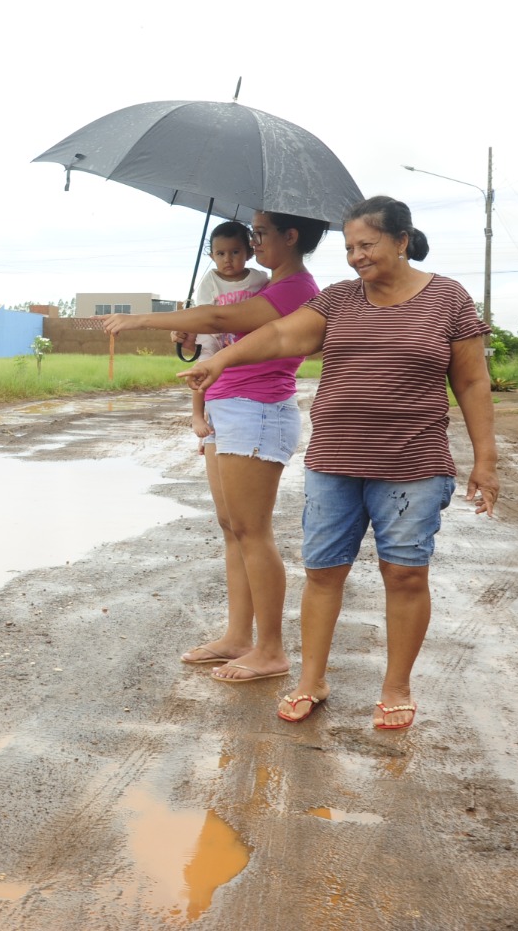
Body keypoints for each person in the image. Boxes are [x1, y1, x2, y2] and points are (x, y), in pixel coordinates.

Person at [182, 195, 499, 730]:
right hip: (334, 460)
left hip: (413, 463)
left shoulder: (449, 299)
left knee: (403, 575)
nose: (356, 257)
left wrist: (485, 461)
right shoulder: (339, 300)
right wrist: (220, 359)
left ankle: (395, 687)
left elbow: (471, 381)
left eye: (367, 245)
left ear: (402, 241)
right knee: (324, 573)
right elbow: (283, 334)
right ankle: (311, 680)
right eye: (350, 247)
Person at [103, 211, 327, 684]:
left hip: (258, 408)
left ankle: (270, 650)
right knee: (232, 528)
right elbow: (218, 327)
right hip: (228, 406)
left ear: (291, 236)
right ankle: (238, 637)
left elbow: (223, 315)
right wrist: (188, 336)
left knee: (252, 529)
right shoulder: (268, 286)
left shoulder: (296, 289)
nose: (253, 241)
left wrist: (140, 317)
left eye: (260, 234)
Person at [175, 220, 269, 451]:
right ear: (211, 256)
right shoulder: (210, 281)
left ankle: (214, 428)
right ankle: (198, 416)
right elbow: (204, 314)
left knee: (227, 383)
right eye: (220, 253)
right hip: (214, 335)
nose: (227, 259)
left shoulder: (259, 279)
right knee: (202, 369)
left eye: (235, 252)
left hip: (243, 337)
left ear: (248, 252)